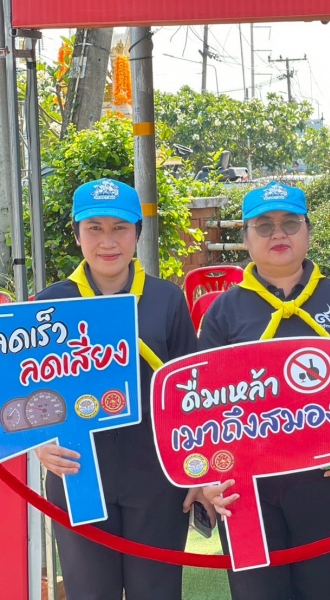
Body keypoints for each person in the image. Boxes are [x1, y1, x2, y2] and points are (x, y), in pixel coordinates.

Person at [199, 182, 330, 600]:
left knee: (322, 590)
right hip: (244, 481)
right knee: (255, 592)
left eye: (290, 223)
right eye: (264, 226)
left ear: (308, 232)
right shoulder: (224, 310)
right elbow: (200, 402)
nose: (278, 234)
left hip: (323, 475)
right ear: (246, 238)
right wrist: (210, 475)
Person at [33, 178, 205, 600]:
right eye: (94, 228)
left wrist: (196, 470)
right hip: (78, 468)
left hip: (156, 470)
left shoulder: (167, 299)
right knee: (90, 591)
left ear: (137, 234)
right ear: (77, 234)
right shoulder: (50, 303)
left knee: (157, 591)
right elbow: (26, 391)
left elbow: (193, 391)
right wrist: (40, 442)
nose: (108, 241)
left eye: (120, 228)